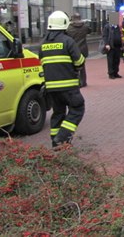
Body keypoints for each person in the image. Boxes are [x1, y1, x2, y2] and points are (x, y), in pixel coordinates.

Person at [39, 11, 85, 148]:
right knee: (77, 108)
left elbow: (42, 64)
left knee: (58, 112)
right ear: (64, 24)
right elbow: (79, 62)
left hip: (51, 88)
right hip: (69, 86)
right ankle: (62, 137)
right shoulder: (68, 41)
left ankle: (55, 141)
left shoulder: (43, 44)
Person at [66, 12, 92, 87]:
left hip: (73, 49)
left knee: (73, 66)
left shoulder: (69, 28)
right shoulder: (84, 27)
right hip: (83, 49)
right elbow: (90, 30)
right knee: (82, 66)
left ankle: (76, 81)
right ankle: (83, 82)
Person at [102, 12, 123, 79]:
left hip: (117, 46)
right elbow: (105, 36)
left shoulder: (117, 27)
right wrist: (107, 44)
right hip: (111, 46)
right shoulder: (107, 26)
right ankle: (111, 73)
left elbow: (120, 35)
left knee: (117, 60)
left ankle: (116, 72)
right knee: (111, 60)